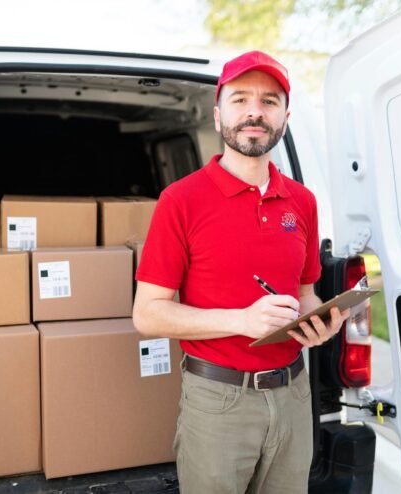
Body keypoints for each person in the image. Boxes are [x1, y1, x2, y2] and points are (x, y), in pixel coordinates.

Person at [133, 50, 349, 494]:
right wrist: (241, 320)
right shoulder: (181, 199)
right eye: (240, 99)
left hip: (294, 395)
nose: (255, 111)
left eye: (269, 101)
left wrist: (321, 322)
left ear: (284, 117)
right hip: (218, 402)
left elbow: (305, 294)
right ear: (218, 115)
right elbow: (148, 315)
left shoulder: (302, 201)